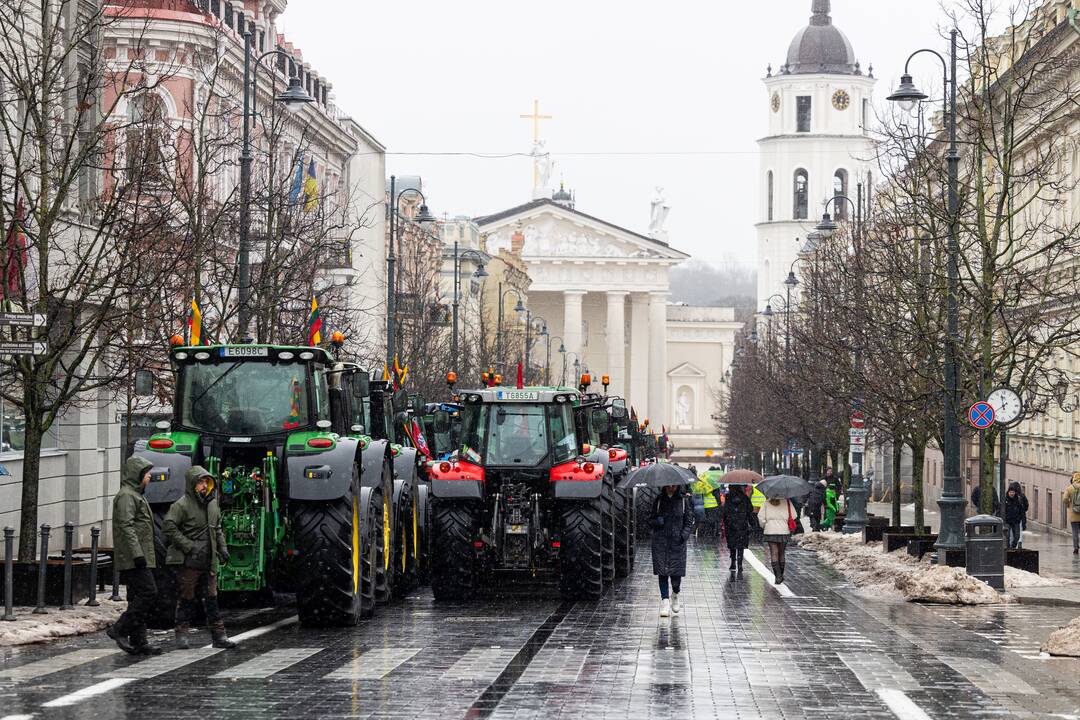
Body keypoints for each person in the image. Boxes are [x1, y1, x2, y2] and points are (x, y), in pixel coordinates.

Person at [163, 466, 237, 650]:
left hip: (209, 560)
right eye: (200, 482)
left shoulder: (212, 504)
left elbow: (216, 529)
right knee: (186, 598)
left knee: (211, 600)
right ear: (192, 484)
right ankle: (182, 635)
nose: (204, 486)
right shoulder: (181, 505)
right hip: (189, 562)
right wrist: (188, 545)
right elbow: (169, 526)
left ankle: (219, 636)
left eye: (206, 482)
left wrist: (223, 549)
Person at [106, 456, 162, 656]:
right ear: (137, 475)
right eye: (147, 474)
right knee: (149, 593)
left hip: (139, 555)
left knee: (137, 597)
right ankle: (119, 629)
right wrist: (138, 555)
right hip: (133, 557)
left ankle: (139, 641)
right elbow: (126, 526)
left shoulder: (135, 494)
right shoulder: (127, 496)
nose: (149, 477)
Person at [651, 484, 695, 617]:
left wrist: (683, 536)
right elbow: (650, 519)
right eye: (669, 485)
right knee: (662, 572)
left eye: (674, 485)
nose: (671, 487)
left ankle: (675, 593)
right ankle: (665, 601)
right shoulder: (658, 500)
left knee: (676, 575)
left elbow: (688, 521)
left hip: (677, 543)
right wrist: (657, 521)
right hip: (661, 542)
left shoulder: (683, 501)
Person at [758, 496, 796, 584]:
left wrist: (765, 525)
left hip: (771, 531)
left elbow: (761, 517)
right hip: (784, 530)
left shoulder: (766, 503)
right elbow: (794, 515)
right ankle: (781, 575)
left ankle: (777, 576)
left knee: (774, 553)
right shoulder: (787, 502)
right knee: (781, 553)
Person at [721, 484, 754, 574]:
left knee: (732, 544)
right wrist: (751, 523)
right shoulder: (745, 498)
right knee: (740, 545)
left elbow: (725, 511)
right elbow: (750, 510)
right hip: (742, 525)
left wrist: (726, 521)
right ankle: (740, 564)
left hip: (731, 525)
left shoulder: (728, 497)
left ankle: (733, 563)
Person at [1003, 482, 1028, 549]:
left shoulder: (1018, 500)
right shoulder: (1004, 500)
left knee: (1017, 536)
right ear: (1008, 492)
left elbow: (1023, 512)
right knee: (1007, 536)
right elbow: (1001, 512)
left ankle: (1013, 546)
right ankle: (1008, 549)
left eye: (1013, 492)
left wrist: (1024, 523)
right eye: (1010, 492)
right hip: (1007, 521)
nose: (1012, 493)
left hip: (1016, 521)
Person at [1063, 472, 1080, 554]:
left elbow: (1065, 499)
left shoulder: (1070, 488)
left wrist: (1069, 504)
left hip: (1073, 513)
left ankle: (1076, 548)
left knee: (1075, 531)